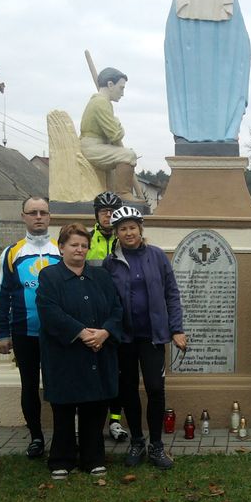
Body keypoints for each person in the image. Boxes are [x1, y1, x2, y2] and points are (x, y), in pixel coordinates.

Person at [36, 223, 123, 480]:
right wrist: (83, 332)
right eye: (74, 245)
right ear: (61, 247)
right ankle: (61, 459)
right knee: (64, 410)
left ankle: (93, 457)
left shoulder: (102, 277)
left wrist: (105, 332)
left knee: (94, 409)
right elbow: (49, 311)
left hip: (98, 351)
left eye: (84, 245)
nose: (80, 250)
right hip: (65, 354)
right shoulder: (49, 277)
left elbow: (116, 309)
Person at [103, 206, 186, 470]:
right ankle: (137, 441)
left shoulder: (157, 256)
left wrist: (176, 329)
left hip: (152, 337)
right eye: (123, 229)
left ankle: (157, 445)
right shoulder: (110, 262)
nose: (128, 233)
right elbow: (106, 301)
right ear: (116, 233)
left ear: (140, 229)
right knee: (128, 391)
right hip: (124, 339)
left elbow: (171, 294)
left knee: (155, 389)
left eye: (132, 227)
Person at [0, 197, 60, 459]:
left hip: (58, 334)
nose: (38, 217)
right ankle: (36, 437)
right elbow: (0, 295)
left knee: (59, 386)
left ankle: (62, 436)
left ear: (50, 216)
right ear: (23, 217)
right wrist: (2, 333)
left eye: (43, 212)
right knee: (29, 386)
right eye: (33, 213)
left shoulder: (61, 250)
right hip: (25, 332)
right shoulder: (12, 252)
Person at [165, 0, 251, 143]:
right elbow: (239, 38)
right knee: (225, 85)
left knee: (188, 84)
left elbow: (172, 37)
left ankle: (185, 131)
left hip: (188, 58)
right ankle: (224, 131)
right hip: (223, 61)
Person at [86, 191, 128, 442]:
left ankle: (115, 421)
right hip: (93, 314)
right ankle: (92, 422)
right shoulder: (87, 239)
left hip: (120, 315)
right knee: (94, 370)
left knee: (119, 372)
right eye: (104, 212)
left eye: (113, 212)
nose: (108, 216)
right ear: (96, 214)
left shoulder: (126, 239)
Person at [79, 68, 139, 200]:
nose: (122, 93)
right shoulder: (100, 102)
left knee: (121, 157)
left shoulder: (102, 102)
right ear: (110, 85)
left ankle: (114, 194)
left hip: (98, 144)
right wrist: (118, 124)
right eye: (121, 88)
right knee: (128, 154)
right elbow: (115, 134)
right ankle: (123, 194)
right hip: (92, 147)